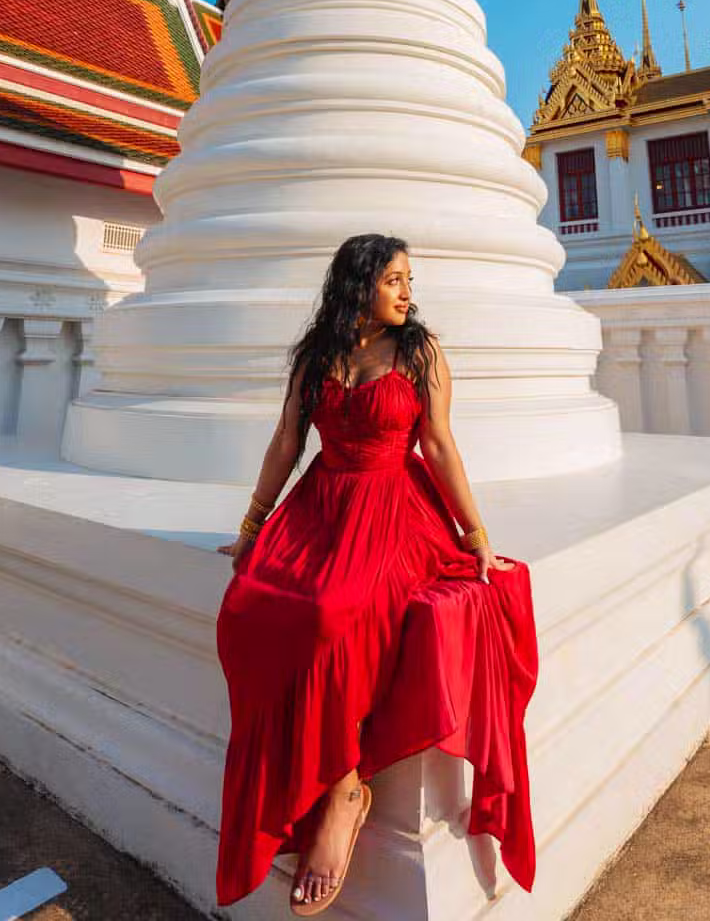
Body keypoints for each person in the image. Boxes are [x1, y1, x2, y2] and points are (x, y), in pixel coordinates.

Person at [215, 233, 539, 915]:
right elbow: (285, 441)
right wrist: (251, 527)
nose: (406, 291)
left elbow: (440, 444)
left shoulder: (418, 352)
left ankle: (342, 790)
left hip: (395, 508)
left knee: (333, 611)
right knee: (250, 606)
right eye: (394, 278)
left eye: (407, 279)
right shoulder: (318, 355)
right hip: (320, 505)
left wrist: (477, 537)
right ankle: (301, 781)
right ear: (358, 284)